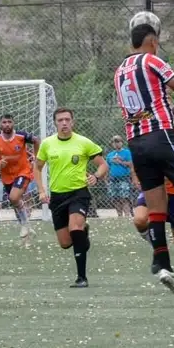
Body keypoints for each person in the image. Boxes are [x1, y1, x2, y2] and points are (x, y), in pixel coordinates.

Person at [114, 19, 174, 296]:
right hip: (161, 137)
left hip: (137, 143)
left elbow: (144, 108)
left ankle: (163, 265)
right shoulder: (151, 60)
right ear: (153, 41)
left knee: (154, 209)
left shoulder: (120, 71)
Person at [34, 108, 108, 288]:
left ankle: (82, 278)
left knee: (75, 228)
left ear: (73, 122)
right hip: (57, 196)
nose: (64, 123)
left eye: (67, 119)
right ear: (55, 123)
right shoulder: (47, 144)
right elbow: (37, 167)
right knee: (66, 243)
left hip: (78, 193)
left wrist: (96, 176)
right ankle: (83, 234)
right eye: (60, 120)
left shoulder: (84, 142)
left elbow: (103, 165)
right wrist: (42, 190)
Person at [0, 114, 40, 244]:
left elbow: (36, 140)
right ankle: (26, 230)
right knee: (15, 203)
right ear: (0, 124)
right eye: (4, 122)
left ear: (13, 123)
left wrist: (36, 156)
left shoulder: (21, 136)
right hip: (6, 175)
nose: (7, 124)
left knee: (14, 197)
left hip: (23, 172)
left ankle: (25, 224)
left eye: (9, 122)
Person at [106, 135, 135, 217]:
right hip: (112, 179)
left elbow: (131, 164)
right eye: (114, 142)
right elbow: (106, 167)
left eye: (118, 141)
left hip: (124, 178)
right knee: (115, 198)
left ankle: (127, 215)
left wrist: (121, 161)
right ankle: (119, 215)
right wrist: (106, 180)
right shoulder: (110, 155)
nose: (116, 144)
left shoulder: (127, 152)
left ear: (122, 142)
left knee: (124, 198)